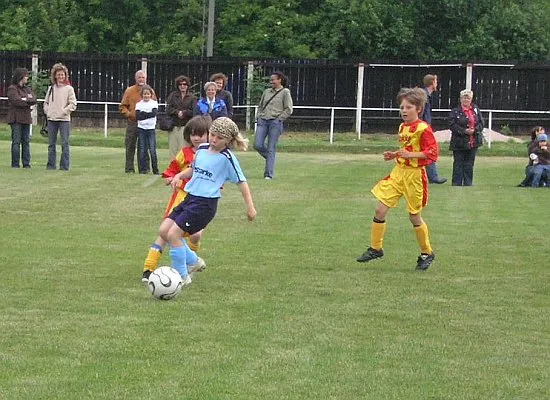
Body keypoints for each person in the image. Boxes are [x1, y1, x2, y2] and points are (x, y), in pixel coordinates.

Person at [157, 117, 256, 284]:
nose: (214, 139)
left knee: (174, 234)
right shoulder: (202, 149)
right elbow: (193, 170)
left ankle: (180, 278)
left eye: (220, 137)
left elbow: (242, 182)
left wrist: (250, 208)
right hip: (190, 198)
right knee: (164, 231)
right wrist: (179, 175)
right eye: (212, 134)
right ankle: (194, 261)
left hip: (205, 204)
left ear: (229, 140)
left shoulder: (227, 158)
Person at [356, 87, 438, 271]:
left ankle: (427, 252)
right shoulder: (402, 127)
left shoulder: (424, 128)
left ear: (418, 109)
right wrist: (395, 154)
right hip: (398, 172)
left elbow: (432, 154)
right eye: (402, 107)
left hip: (415, 176)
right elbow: (407, 149)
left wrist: (410, 155)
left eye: (408, 107)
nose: (404, 110)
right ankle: (376, 248)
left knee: (414, 216)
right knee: (379, 209)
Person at [142, 115, 212, 282]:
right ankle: (148, 269)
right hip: (179, 199)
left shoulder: (212, 155)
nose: (196, 138)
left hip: (199, 201)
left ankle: (192, 262)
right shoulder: (184, 153)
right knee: (165, 233)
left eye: (200, 134)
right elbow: (171, 170)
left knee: (195, 236)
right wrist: (170, 178)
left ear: (209, 135)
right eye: (193, 134)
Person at [254, 71, 293, 180]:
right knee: (257, 144)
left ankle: (268, 174)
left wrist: (279, 119)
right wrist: (259, 116)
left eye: (273, 79)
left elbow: (289, 109)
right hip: (263, 121)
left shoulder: (285, 92)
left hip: (275, 123)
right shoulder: (266, 92)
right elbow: (261, 105)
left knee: (271, 147)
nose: (271, 82)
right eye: (270, 80)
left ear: (279, 80)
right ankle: (270, 158)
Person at [120, 70, 156, 173]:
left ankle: (145, 168)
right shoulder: (129, 91)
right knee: (130, 145)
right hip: (133, 123)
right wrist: (130, 114)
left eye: (143, 77)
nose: (141, 79)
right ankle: (129, 168)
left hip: (146, 125)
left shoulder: (150, 91)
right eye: (139, 77)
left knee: (144, 147)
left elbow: (154, 105)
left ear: (146, 79)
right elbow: (122, 106)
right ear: (135, 78)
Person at [44, 63, 77, 171]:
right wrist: (48, 112)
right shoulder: (51, 88)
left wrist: (64, 112)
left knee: (65, 143)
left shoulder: (69, 89)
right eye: (58, 75)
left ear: (65, 75)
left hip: (64, 120)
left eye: (62, 75)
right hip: (52, 119)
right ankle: (51, 165)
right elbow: (46, 103)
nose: (60, 77)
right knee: (51, 144)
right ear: (54, 76)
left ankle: (64, 166)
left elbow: (73, 104)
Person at [448, 89, 484, 186]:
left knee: (469, 163)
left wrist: (475, 130)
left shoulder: (475, 110)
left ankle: (468, 183)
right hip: (459, 141)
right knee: (458, 163)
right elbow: (452, 125)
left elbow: (481, 123)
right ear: (460, 99)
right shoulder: (455, 111)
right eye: (464, 98)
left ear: (471, 99)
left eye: (468, 98)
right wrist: (464, 131)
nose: (466, 100)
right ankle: (456, 183)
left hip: (473, 141)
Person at [7, 67, 36, 169]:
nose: (27, 78)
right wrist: (26, 101)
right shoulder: (12, 89)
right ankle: (15, 164)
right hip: (16, 119)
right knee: (16, 141)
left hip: (26, 118)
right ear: (21, 77)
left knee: (26, 141)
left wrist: (25, 100)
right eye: (26, 76)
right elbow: (16, 101)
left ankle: (26, 163)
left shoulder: (27, 89)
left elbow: (33, 99)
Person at [420, 74, 447, 184]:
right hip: (422, 128)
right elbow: (421, 113)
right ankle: (433, 177)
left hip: (424, 127)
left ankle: (428, 176)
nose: (437, 84)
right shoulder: (423, 96)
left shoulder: (426, 95)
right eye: (436, 82)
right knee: (429, 150)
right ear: (432, 83)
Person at [165, 75, 196, 160]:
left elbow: (194, 112)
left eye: (185, 84)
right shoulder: (172, 96)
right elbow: (168, 109)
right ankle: (172, 170)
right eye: (180, 84)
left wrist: (184, 113)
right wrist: (177, 112)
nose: (182, 86)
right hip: (174, 126)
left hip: (185, 127)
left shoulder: (192, 98)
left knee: (184, 150)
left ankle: (183, 170)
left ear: (187, 85)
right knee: (173, 150)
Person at [135, 85, 159, 175]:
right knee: (142, 150)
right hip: (141, 129)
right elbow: (138, 116)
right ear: (142, 95)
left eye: (148, 94)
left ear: (151, 94)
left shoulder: (154, 103)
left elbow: (154, 114)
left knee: (152, 150)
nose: (146, 96)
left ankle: (155, 170)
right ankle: (142, 170)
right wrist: (147, 114)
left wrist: (143, 114)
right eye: (144, 94)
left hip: (151, 129)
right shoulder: (138, 104)